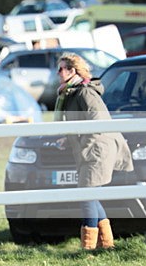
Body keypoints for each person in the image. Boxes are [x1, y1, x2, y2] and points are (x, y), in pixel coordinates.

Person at [54, 52, 133, 250]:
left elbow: (96, 122)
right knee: (90, 195)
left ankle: (88, 247)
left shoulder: (84, 92)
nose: (58, 73)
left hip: (97, 150)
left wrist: (84, 147)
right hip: (92, 149)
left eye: (61, 68)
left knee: (86, 195)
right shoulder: (70, 93)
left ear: (73, 71)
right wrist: (68, 138)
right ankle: (106, 245)